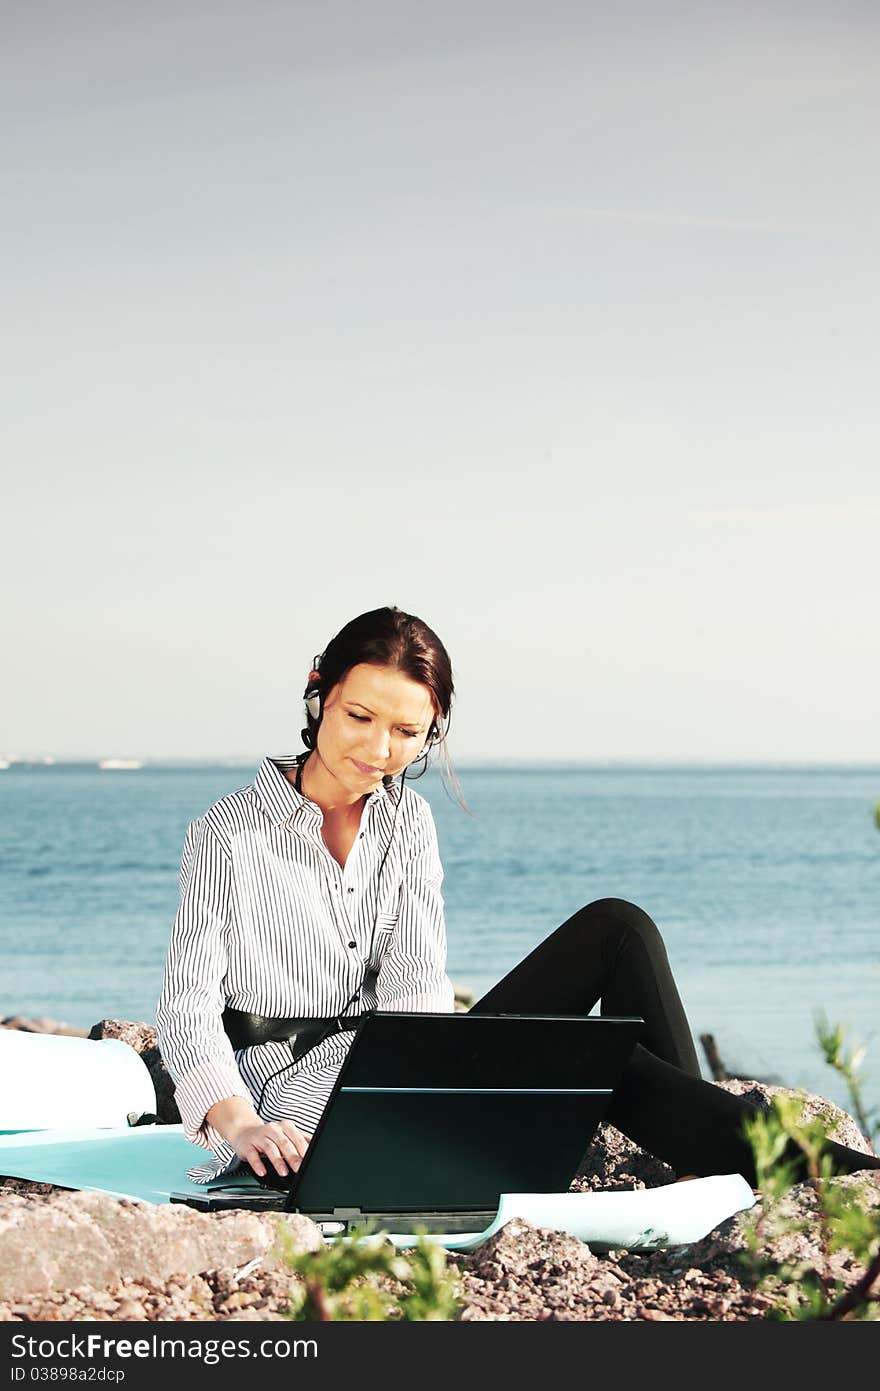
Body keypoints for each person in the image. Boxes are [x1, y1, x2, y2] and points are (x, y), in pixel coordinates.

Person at [155, 605, 880, 1190]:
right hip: (294, 1098)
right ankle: (819, 1173)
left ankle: (699, 1151)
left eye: (408, 731)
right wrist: (242, 1124)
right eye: (359, 718)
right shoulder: (227, 830)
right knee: (603, 1060)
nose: (379, 750)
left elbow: (416, 992)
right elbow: (186, 1007)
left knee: (616, 927)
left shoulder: (408, 820)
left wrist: (440, 1075)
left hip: (401, 1066)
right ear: (320, 694)